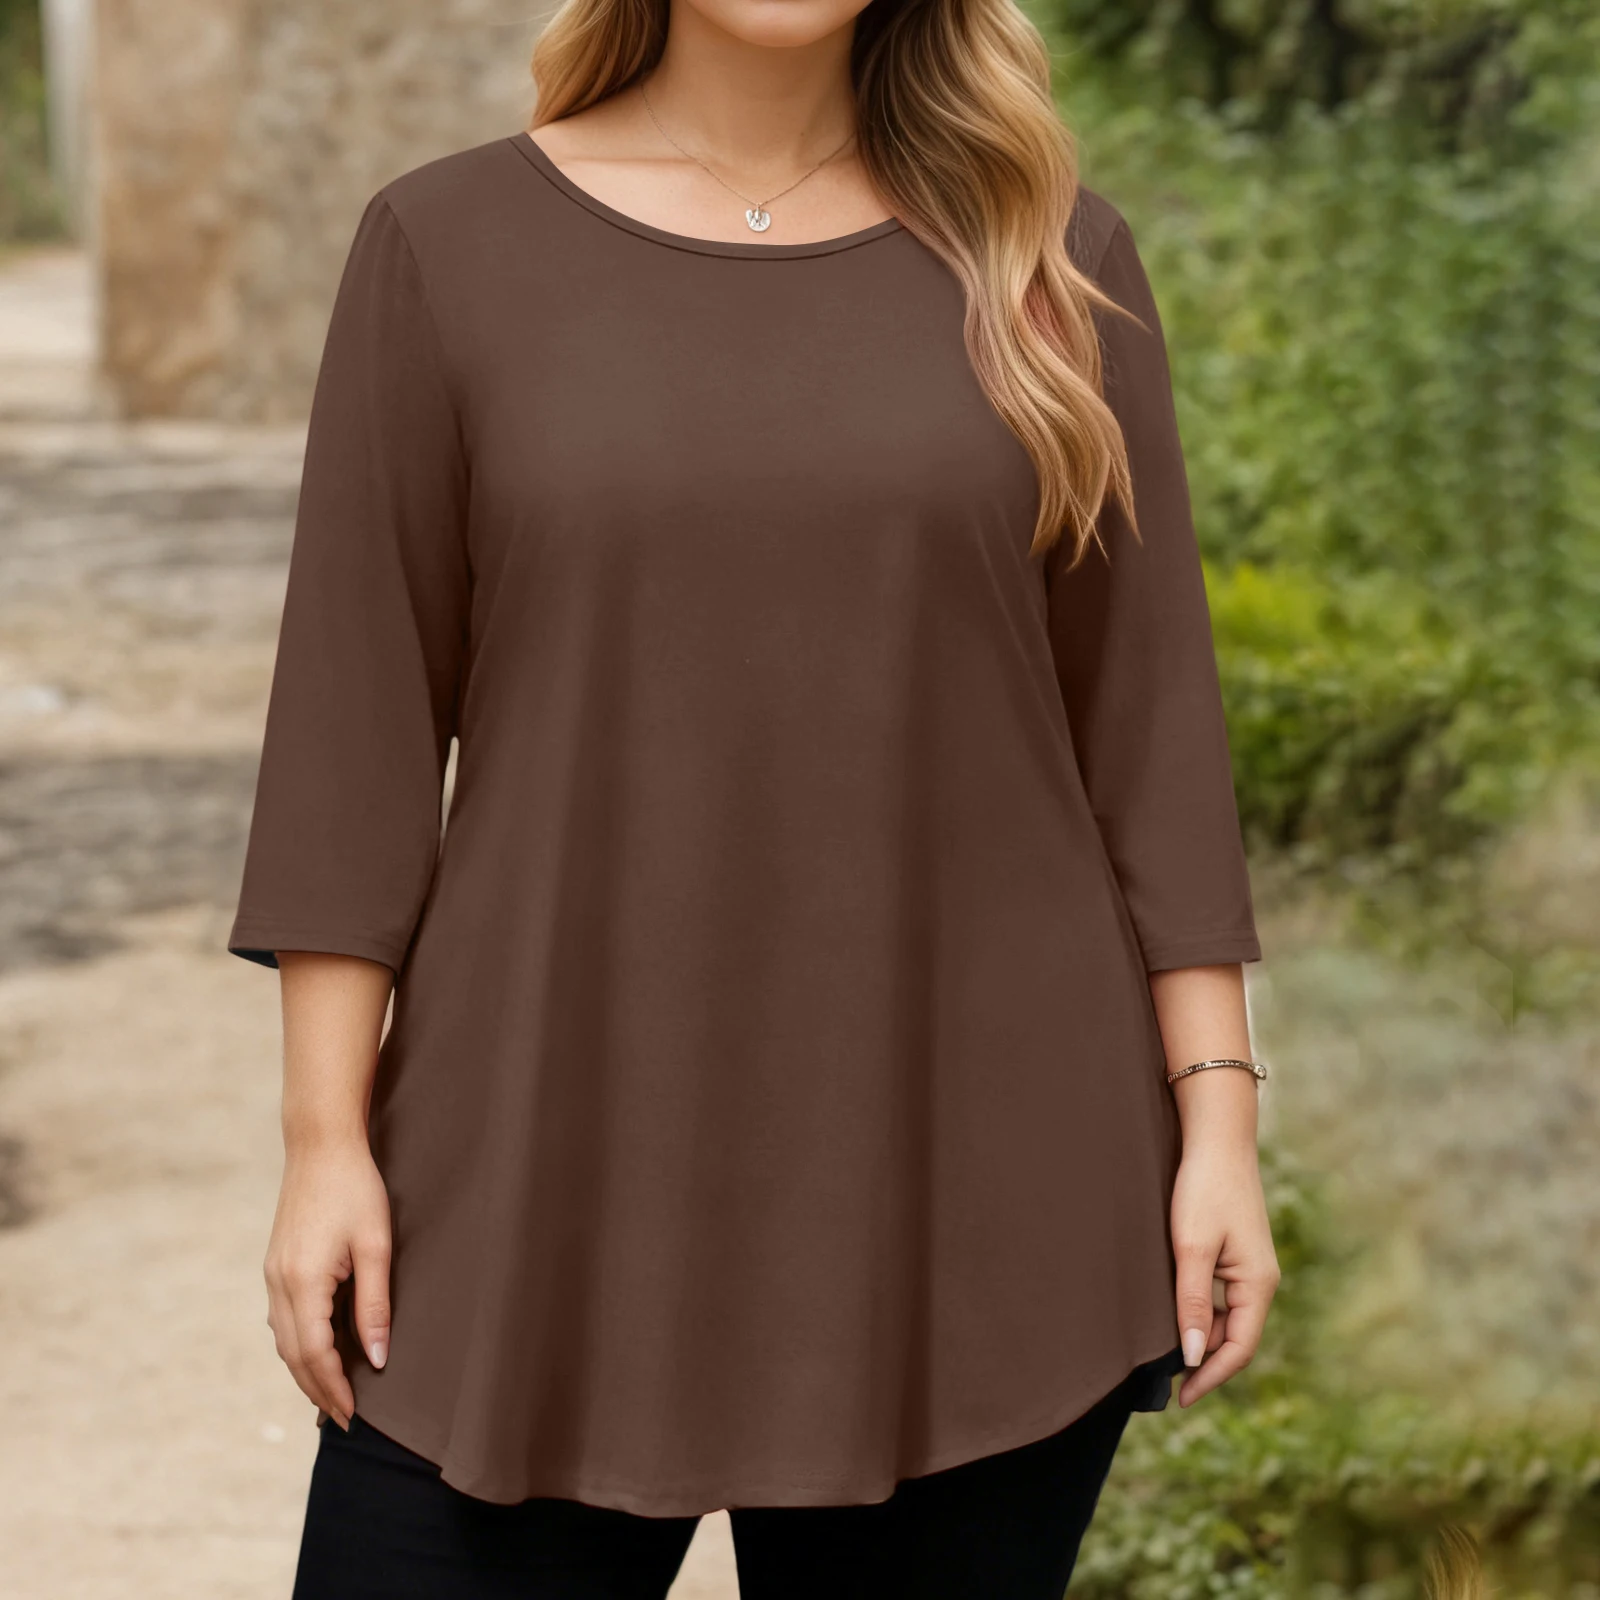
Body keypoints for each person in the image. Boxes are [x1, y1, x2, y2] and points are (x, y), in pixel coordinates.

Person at [227, 0, 1282, 1590]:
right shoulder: (444, 247)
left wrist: (1219, 1127)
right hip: (540, 1153)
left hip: (975, 1176)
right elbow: (353, 739)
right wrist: (325, 1141)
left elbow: (1148, 734)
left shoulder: (1053, 256)